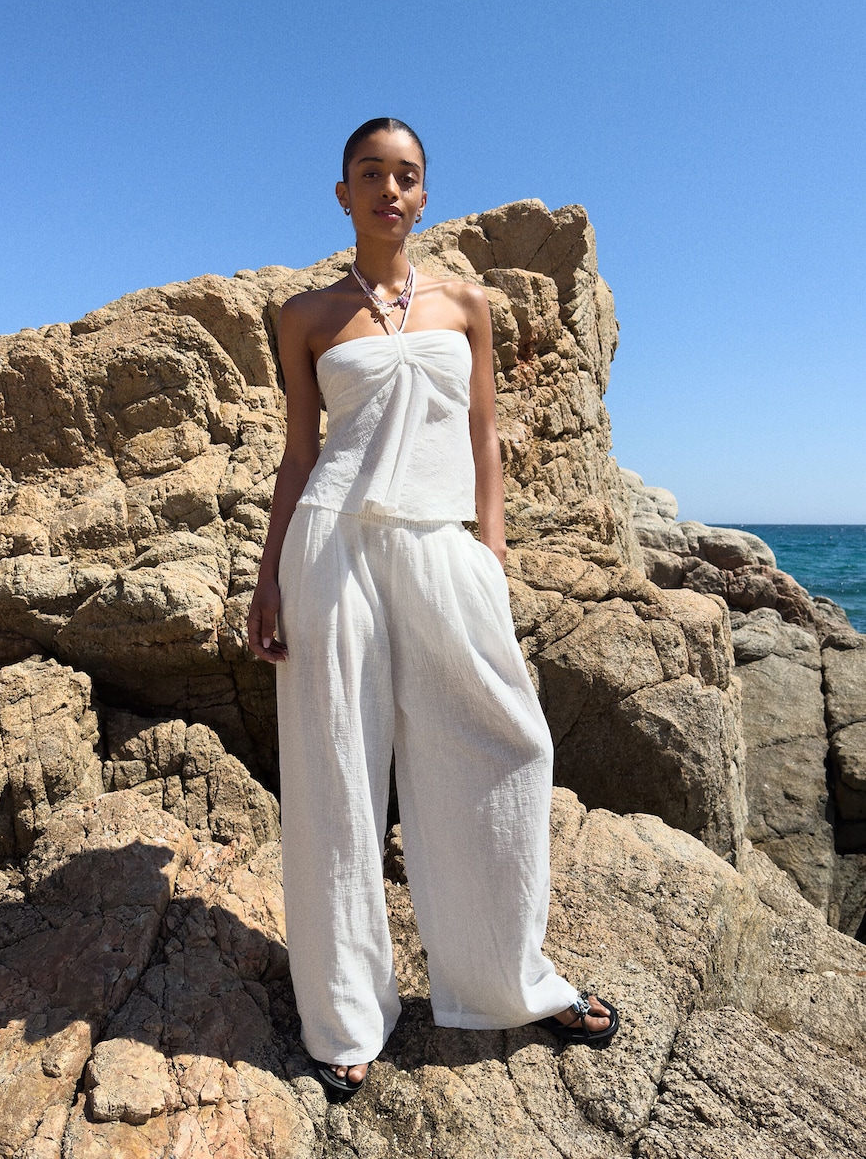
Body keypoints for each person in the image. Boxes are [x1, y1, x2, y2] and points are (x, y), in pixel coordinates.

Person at [247, 118, 619, 1102]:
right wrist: (267, 575)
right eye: (370, 174)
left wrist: (490, 553)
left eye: (406, 175)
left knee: (509, 742)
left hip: (440, 543)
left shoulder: (465, 302)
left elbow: (484, 433)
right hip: (331, 545)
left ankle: (506, 982)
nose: (389, 189)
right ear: (343, 194)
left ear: (424, 194)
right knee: (334, 775)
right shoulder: (305, 315)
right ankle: (345, 1016)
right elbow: (298, 455)